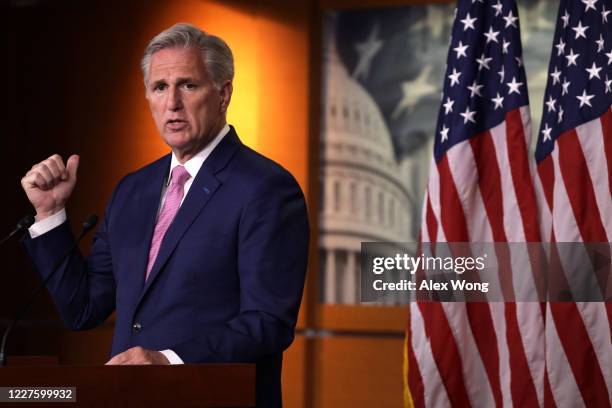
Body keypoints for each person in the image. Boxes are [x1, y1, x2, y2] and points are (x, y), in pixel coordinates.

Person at [20, 23, 309, 407]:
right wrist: (51, 213)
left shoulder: (266, 188)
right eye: (159, 88)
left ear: (223, 93)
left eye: (187, 85)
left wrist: (168, 360)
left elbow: (267, 323)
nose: (172, 103)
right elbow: (84, 308)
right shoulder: (132, 190)